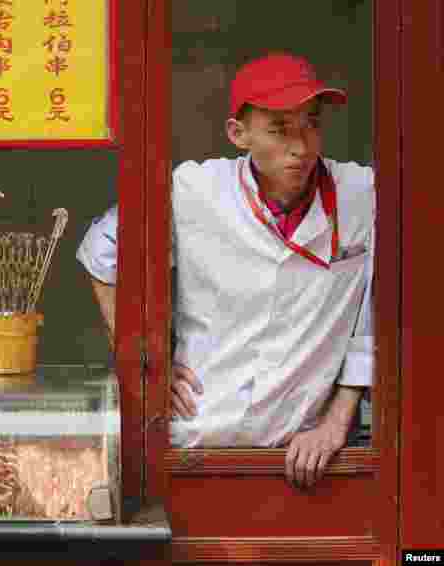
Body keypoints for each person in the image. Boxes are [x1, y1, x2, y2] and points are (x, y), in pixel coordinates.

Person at [76, 53, 374, 489]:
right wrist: (146, 362)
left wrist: (335, 422)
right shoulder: (196, 190)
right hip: (195, 442)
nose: (301, 145)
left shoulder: (362, 195)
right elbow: (101, 251)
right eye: (279, 129)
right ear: (239, 135)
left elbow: (384, 316)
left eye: (311, 124)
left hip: (303, 454)